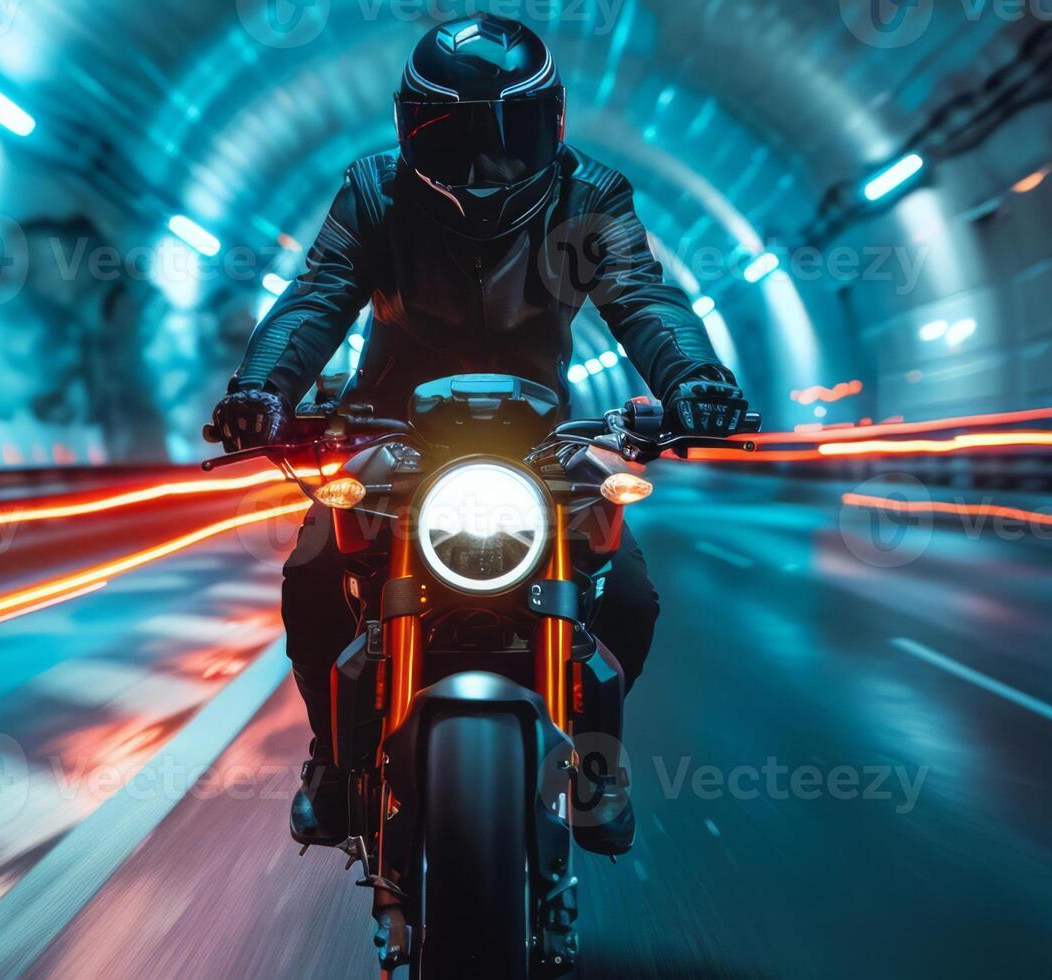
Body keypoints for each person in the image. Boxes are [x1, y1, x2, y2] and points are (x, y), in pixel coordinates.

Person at [207, 14, 747, 855]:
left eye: (507, 132)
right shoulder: (373, 193)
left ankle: (597, 759)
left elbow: (644, 299)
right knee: (314, 575)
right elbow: (317, 299)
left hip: (540, 438)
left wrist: (695, 381)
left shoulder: (590, 198)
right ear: (407, 127)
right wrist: (262, 389)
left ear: (553, 123)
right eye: (449, 135)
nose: (481, 161)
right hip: (390, 431)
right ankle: (331, 760)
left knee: (629, 591)